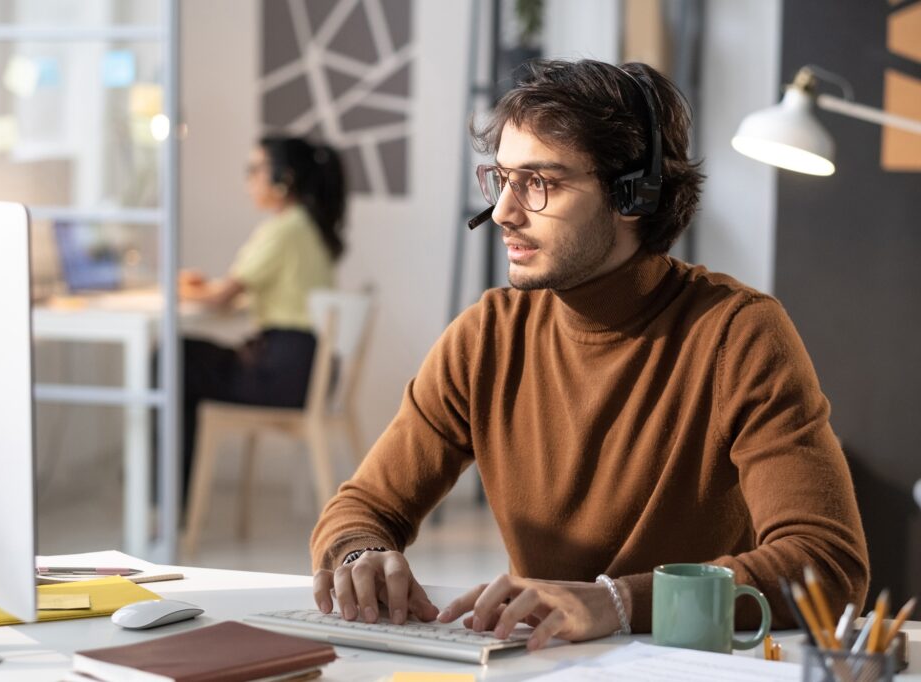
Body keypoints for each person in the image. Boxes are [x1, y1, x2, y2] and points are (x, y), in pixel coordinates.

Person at [309, 59, 869, 650]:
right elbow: (362, 508)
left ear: (632, 194)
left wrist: (620, 602)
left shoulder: (738, 335)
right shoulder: (487, 337)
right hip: (545, 664)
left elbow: (826, 566)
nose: (503, 211)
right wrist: (363, 553)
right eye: (501, 178)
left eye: (538, 183)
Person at [178, 136, 346, 498]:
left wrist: (175, 287)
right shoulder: (305, 224)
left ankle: (168, 496)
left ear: (283, 178)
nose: (249, 180)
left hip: (283, 371)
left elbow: (221, 297)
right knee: (184, 357)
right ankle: (173, 493)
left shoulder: (284, 229)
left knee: (174, 359)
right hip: (306, 366)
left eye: (254, 170)